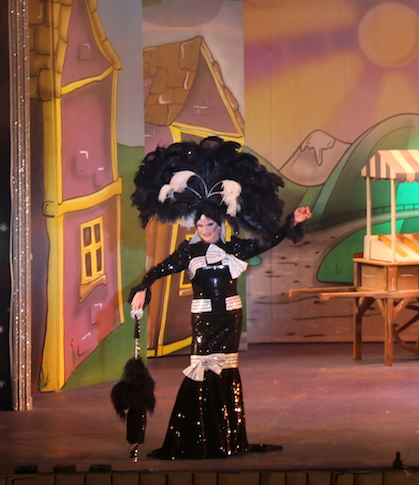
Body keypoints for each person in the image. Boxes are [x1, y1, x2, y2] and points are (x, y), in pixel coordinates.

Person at [128, 136, 310, 460]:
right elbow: (159, 269)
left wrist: (291, 222)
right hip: (203, 318)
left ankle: (225, 437)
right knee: (201, 367)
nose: (204, 229)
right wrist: (143, 287)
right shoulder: (189, 252)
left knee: (225, 369)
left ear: (220, 224)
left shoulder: (234, 248)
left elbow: (267, 241)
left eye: (209, 224)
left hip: (229, 318)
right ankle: (197, 437)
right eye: (200, 224)